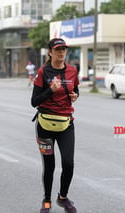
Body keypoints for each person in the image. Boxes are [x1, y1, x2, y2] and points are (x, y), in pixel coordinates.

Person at [31, 38, 79, 213]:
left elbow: (76, 90)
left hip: (66, 124)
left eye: (64, 49)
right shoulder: (43, 72)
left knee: (68, 163)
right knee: (49, 166)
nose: (61, 52)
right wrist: (50, 90)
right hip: (44, 124)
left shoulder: (73, 71)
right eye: (58, 49)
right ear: (50, 52)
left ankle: (63, 197)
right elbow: (34, 101)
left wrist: (75, 96)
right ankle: (46, 200)